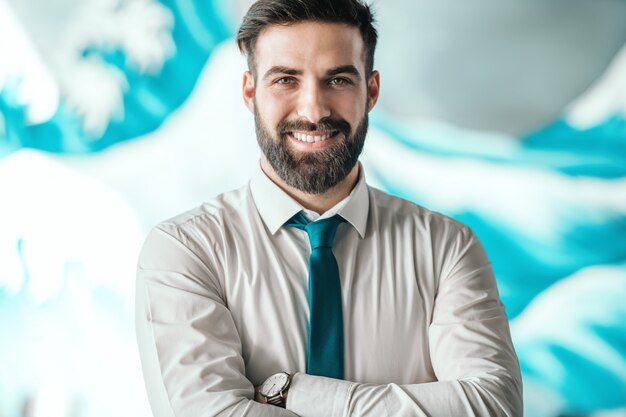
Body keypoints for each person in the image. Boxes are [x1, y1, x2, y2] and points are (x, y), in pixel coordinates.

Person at [135, 0, 523, 416]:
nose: (313, 110)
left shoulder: (446, 248)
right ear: (250, 92)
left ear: (370, 91)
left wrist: (297, 394)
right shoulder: (186, 251)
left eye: (337, 80)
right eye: (286, 80)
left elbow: (492, 406)